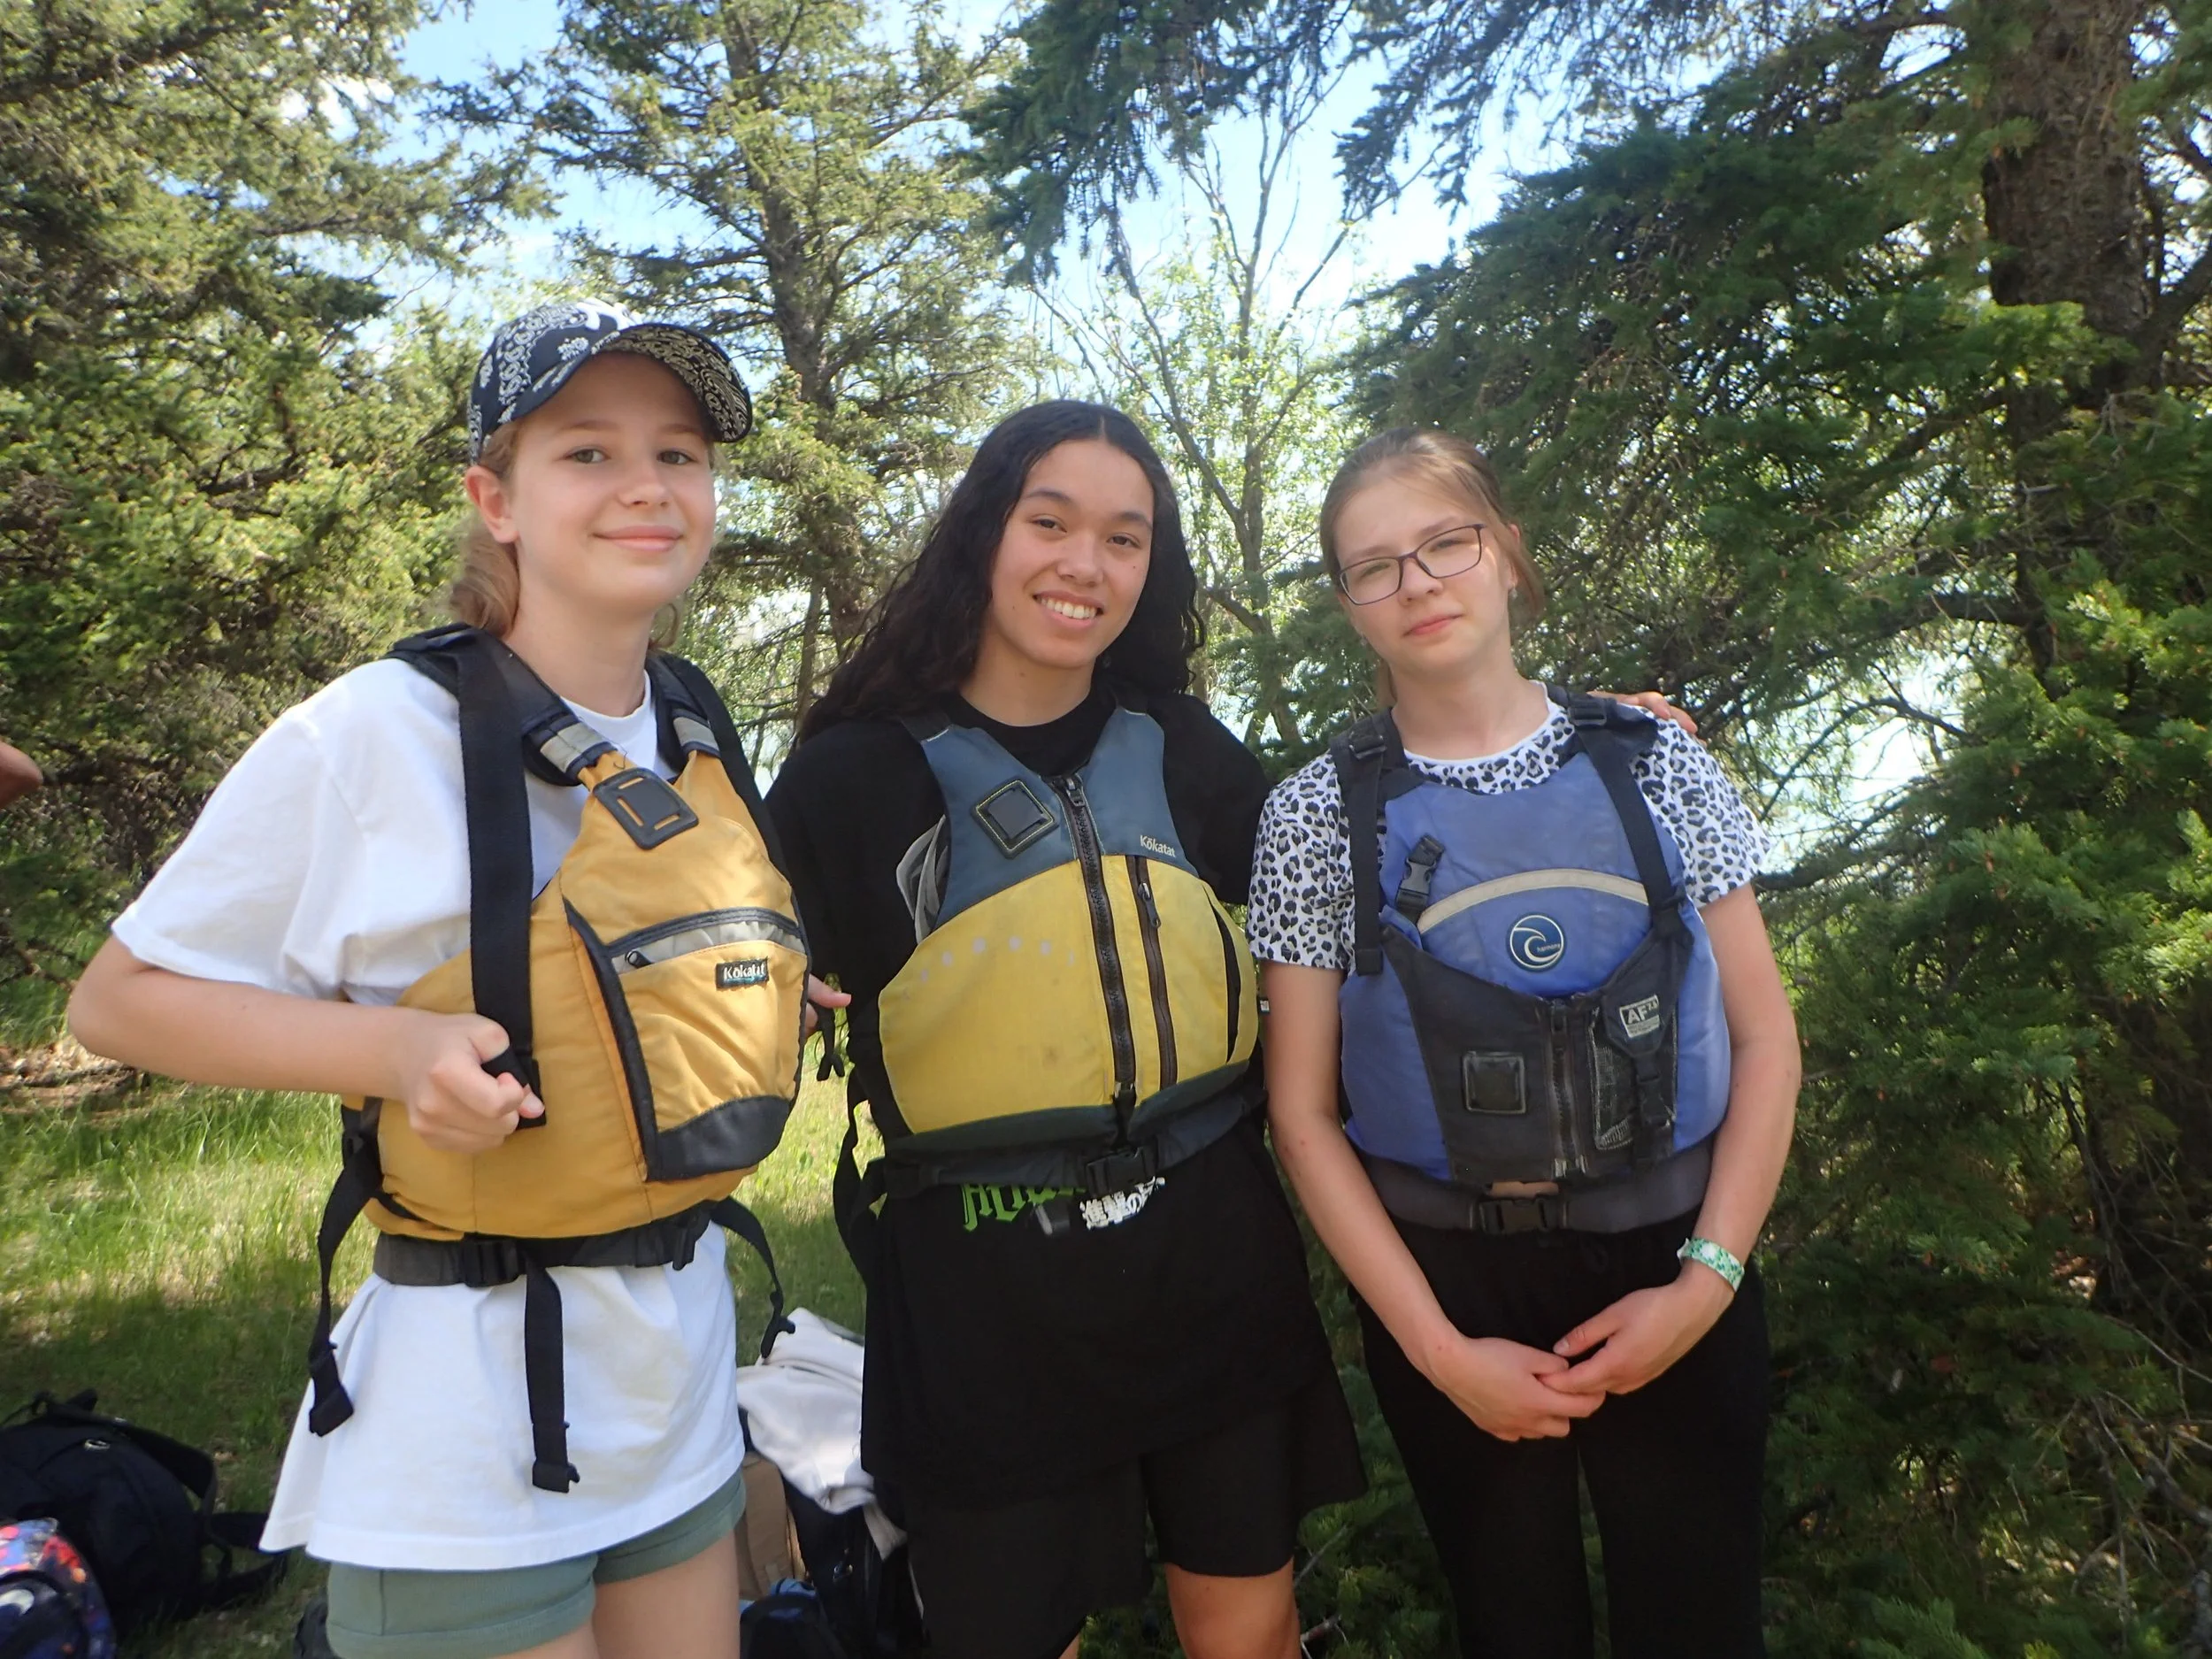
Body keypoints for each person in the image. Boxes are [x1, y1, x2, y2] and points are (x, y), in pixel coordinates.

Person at [67, 299, 807, 1659]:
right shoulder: (373, 731)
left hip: (677, 1381)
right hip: (467, 1422)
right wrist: (397, 1059)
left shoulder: (695, 725)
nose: (648, 483)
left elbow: (638, 965)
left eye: (682, 452)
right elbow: (117, 999)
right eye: (587, 452)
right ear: (495, 497)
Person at [766, 401, 1368, 1659]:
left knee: (1248, 1623)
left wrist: (1581, 741)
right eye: (1050, 522)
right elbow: (726, 985)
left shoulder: (1189, 751)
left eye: (1124, 537)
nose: (1083, 564)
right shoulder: (848, 782)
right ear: (985, 532)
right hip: (991, 1291)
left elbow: (1348, 875)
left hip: (1213, 1261)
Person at [1250, 428, 1800, 1659]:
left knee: (1703, 1623)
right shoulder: (1313, 816)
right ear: (1348, 604)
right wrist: (1440, 1352)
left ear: (1507, 555)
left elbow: (1766, 1040)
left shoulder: (1658, 764)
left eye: (1446, 542)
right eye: (1374, 564)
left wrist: (1707, 1279)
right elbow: (1302, 1115)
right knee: (1513, 1627)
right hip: (1451, 1282)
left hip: (1674, 1254)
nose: (1418, 582)